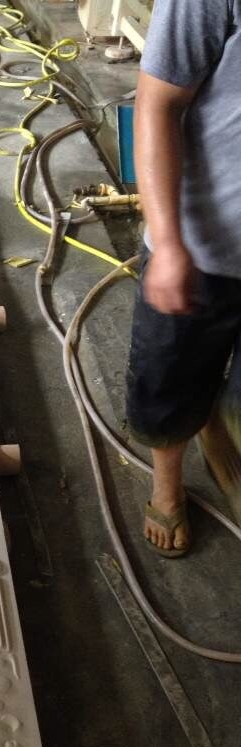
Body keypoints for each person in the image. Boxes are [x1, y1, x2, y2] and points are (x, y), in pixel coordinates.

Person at [126, 0, 241, 557]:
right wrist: (170, 243)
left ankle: (219, 419)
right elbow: (158, 103)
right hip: (206, 246)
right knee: (168, 376)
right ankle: (167, 483)